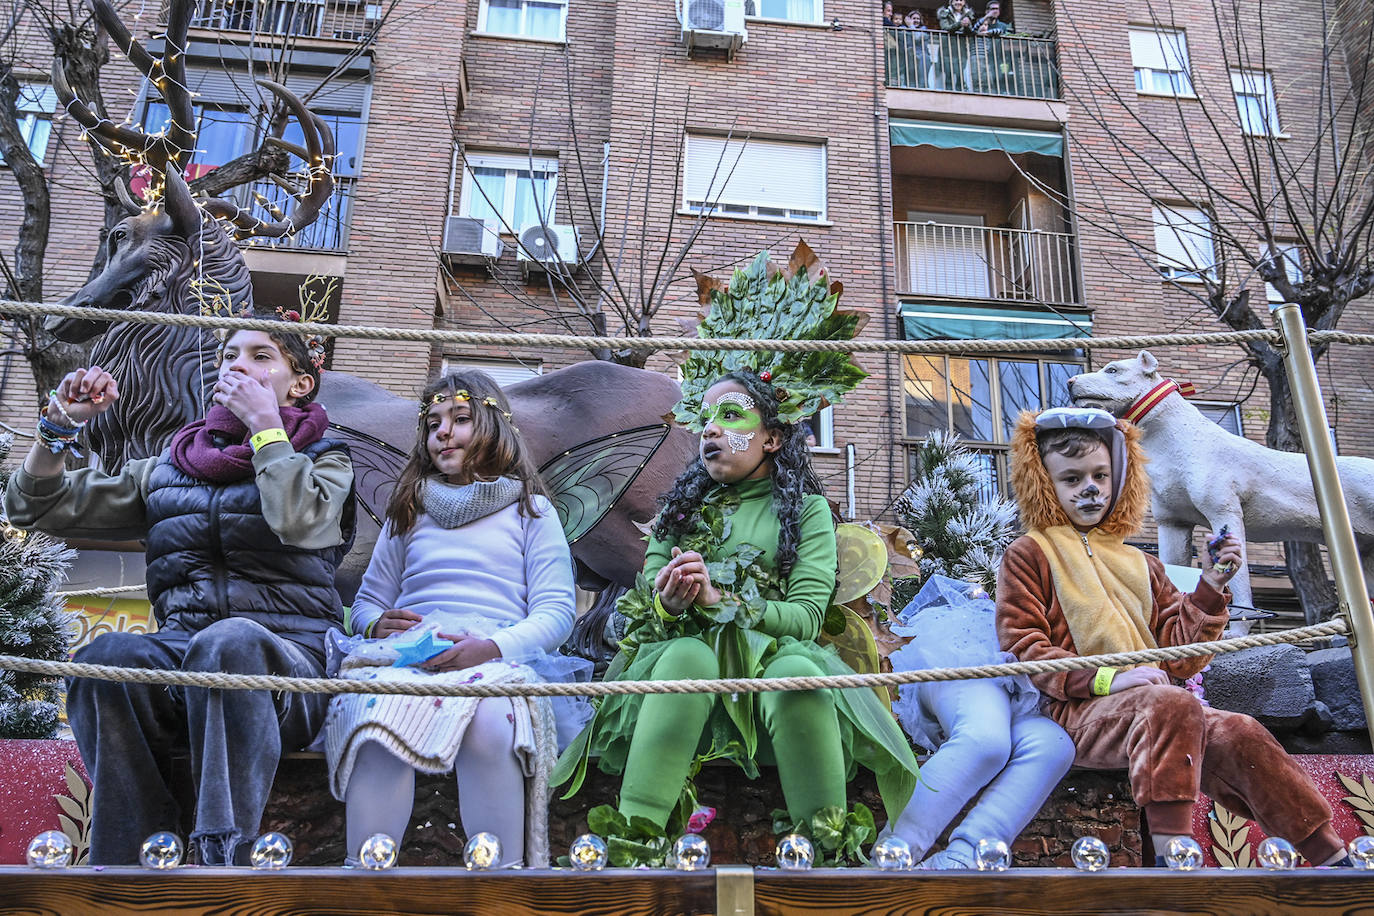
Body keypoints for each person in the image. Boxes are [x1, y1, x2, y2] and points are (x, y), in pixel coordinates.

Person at [5, 316, 355, 866]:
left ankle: (223, 861)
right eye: (230, 355)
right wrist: (59, 427)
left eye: (262, 356)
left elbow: (302, 522)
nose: (238, 364)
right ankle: (127, 861)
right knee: (107, 657)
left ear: (300, 383)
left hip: (289, 666)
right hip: (183, 654)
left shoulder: (325, 458)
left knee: (230, 641)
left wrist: (267, 429)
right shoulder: (169, 467)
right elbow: (33, 507)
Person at [554, 369, 920, 858]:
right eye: (705, 418)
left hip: (774, 664)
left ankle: (827, 857)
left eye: (730, 415)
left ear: (771, 438)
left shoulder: (806, 512)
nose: (709, 429)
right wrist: (669, 602)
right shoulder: (677, 514)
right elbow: (643, 617)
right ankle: (635, 848)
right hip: (685, 666)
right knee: (687, 657)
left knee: (798, 673)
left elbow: (807, 617)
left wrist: (722, 602)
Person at [996, 406, 1348, 867]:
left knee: (1239, 729)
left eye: (1101, 475)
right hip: (1077, 713)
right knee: (1173, 703)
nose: (1090, 489)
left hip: (1157, 711)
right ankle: (1173, 854)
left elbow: (1181, 659)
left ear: (1120, 478)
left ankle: (1331, 856)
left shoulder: (1142, 563)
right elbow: (1025, 646)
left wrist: (1212, 587)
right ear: (1044, 483)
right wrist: (1108, 680)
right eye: (1072, 479)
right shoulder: (1030, 554)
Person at [323, 369, 588, 868]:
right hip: (408, 659)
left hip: (495, 655)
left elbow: (555, 613)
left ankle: (499, 878)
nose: (443, 431)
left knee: (491, 720)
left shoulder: (532, 511)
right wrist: (375, 624)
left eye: (460, 418)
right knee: (378, 720)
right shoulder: (409, 511)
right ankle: (366, 879)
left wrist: (491, 649)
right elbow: (365, 603)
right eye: (433, 422)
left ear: (494, 426)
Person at [886, 575, 1075, 869]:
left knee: (1054, 746)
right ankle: (891, 855)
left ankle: (964, 857)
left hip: (1030, 688)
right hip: (971, 655)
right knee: (985, 740)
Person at [936, 0, 975, 89]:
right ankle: (948, 95)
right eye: (955, 0)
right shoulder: (945, 13)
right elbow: (945, 28)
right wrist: (960, 24)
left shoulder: (968, 14)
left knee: (960, 74)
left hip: (961, 48)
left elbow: (969, 32)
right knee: (948, 74)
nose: (958, 2)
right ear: (951, 2)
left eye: (961, 0)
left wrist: (967, 26)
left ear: (964, 2)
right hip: (947, 48)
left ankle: (961, 93)